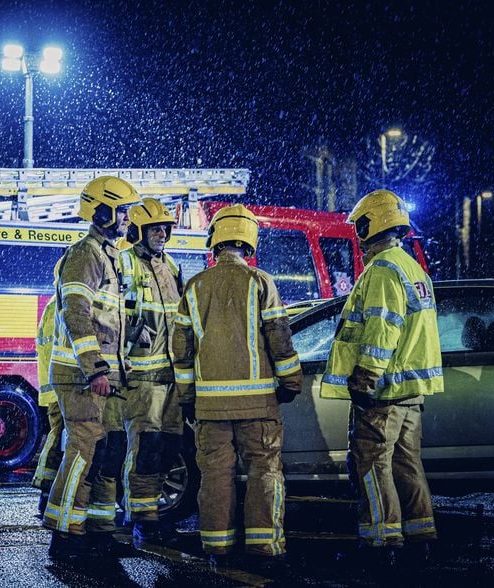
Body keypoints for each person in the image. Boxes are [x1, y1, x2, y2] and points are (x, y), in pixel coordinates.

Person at [172, 204, 302, 566]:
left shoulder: (195, 287)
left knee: (215, 476)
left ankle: (218, 548)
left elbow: (180, 351)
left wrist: (187, 398)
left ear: (215, 243)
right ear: (250, 243)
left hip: (209, 409)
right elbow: (280, 339)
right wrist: (290, 383)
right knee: (264, 473)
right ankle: (264, 549)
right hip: (258, 406)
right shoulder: (261, 283)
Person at [321, 189, 442, 566]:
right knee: (407, 465)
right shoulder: (411, 267)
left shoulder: (383, 269)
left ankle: (380, 544)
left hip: (384, 391)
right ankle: (421, 536)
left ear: (369, 224)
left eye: (359, 225)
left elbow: (382, 329)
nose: (357, 233)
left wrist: (364, 378)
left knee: (372, 465)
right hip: (410, 392)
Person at [42, 175, 141, 559]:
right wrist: (96, 369)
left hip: (104, 376)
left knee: (107, 452)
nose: (128, 219)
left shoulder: (108, 255)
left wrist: (117, 364)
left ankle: (100, 528)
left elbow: (107, 322)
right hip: (82, 377)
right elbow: (76, 314)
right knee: (83, 453)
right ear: (102, 211)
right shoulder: (85, 254)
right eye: (123, 211)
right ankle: (65, 533)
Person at [118, 198, 183, 546]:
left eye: (166, 228)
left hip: (171, 379)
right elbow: (110, 312)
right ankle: (141, 519)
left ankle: (155, 513)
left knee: (169, 449)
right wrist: (129, 331)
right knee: (146, 448)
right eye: (155, 228)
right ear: (137, 231)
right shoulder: (124, 264)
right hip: (142, 380)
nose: (162, 234)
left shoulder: (171, 267)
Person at [31, 259, 64, 516]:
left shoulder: (53, 305)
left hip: (55, 387)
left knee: (60, 440)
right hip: (62, 389)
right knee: (59, 440)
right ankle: (47, 495)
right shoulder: (60, 307)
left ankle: (48, 494)